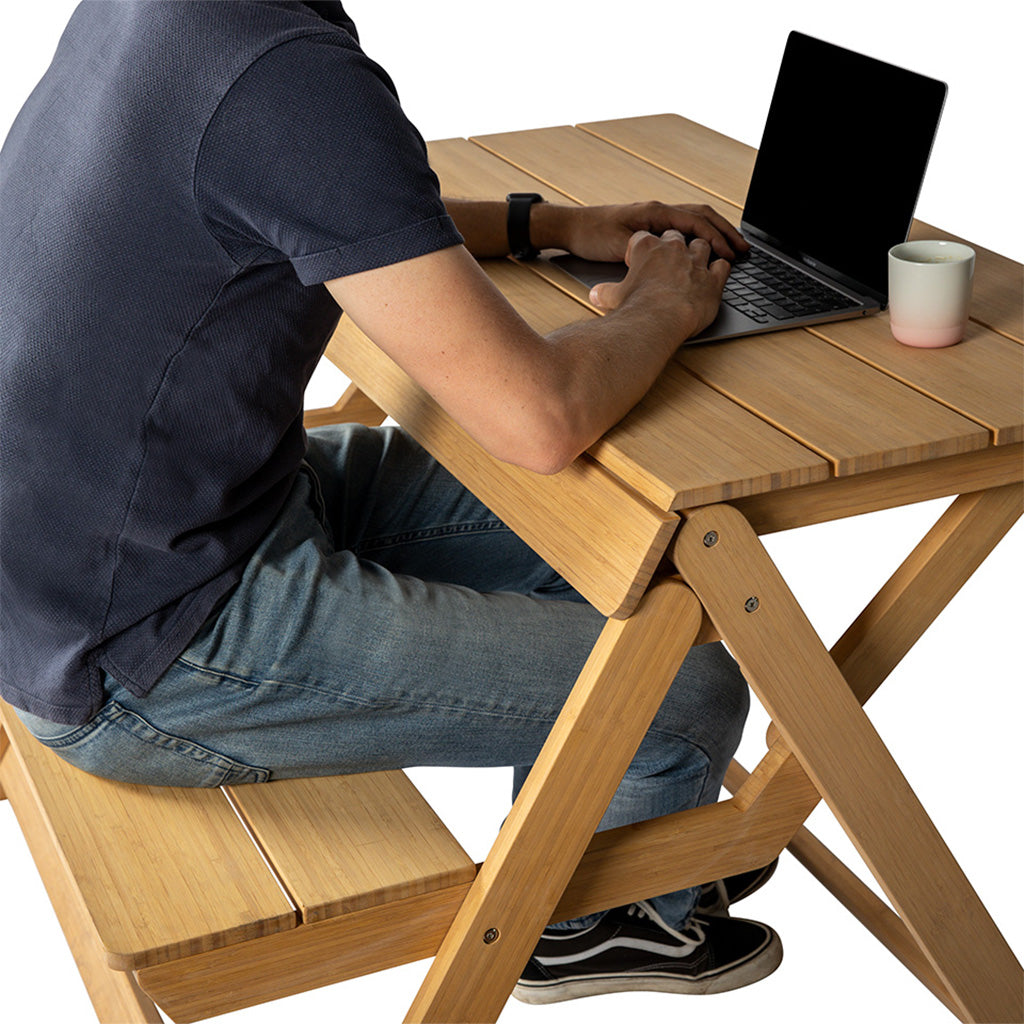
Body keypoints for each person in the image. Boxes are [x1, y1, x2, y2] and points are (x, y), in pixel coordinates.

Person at [0, 0, 780, 1003]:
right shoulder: (286, 70)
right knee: (684, 694)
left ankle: (621, 839)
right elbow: (542, 417)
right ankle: (590, 920)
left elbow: (325, 202)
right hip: (149, 648)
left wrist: (545, 225)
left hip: (136, 539)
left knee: (629, 540)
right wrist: (667, 304)